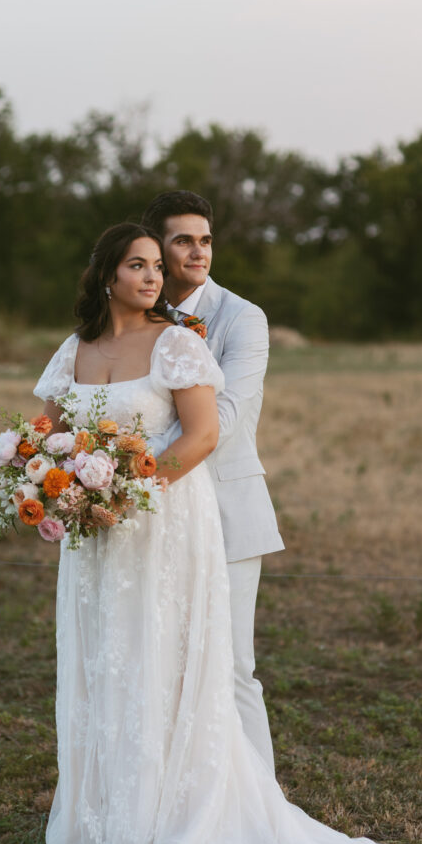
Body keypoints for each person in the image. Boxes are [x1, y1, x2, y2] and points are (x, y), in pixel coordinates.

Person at [34, 221, 422, 844]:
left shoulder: (177, 342)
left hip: (162, 522)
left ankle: (172, 817)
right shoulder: (73, 349)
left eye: (154, 266)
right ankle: (107, 819)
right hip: (95, 540)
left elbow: (204, 434)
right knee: (106, 659)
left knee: (168, 659)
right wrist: (46, 479)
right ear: (105, 275)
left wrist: (127, 493)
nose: (151, 277)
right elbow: (45, 427)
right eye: (136, 266)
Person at [141, 191, 283, 774]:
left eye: (205, 240)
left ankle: (261, 808)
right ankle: (180, 793)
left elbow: (220, 422)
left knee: (231, 663)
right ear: (155, 250)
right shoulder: (133, 318)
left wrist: (132, 474)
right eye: (182, 240)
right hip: (153, 518)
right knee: (163, 663)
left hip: (225, 508)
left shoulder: (242, 318)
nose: (198, 252)